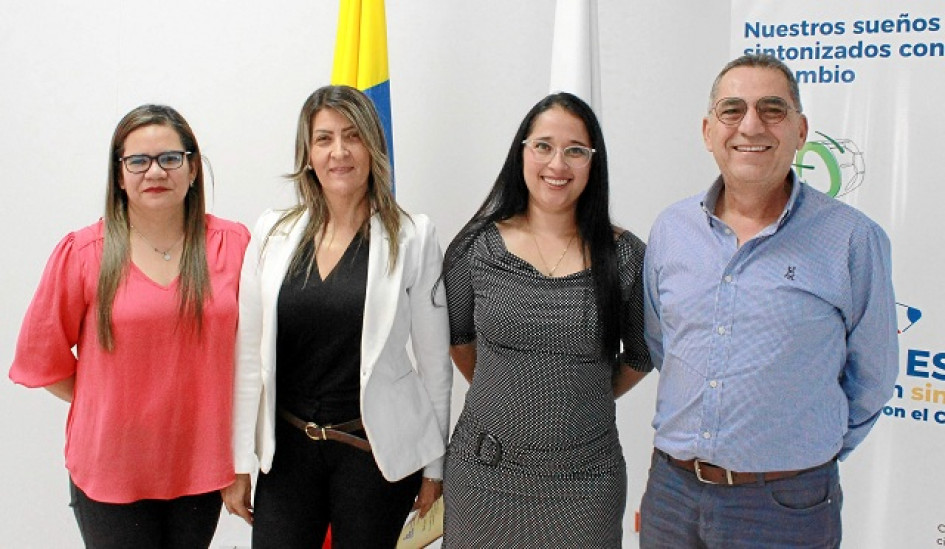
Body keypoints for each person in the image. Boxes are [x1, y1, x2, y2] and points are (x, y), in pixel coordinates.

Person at [639, 53, 898, 548]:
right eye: (732, 110)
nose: (751, 125)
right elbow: (662, 344)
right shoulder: (672, 230)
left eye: (772, 109)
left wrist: (802, 453)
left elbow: (873, 376)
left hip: (786, 506)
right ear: (708, 131)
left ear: (800, 131)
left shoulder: (852, 240)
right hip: (672, 494)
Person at [9, 105, 250, 548]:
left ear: (193, 168)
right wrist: (114, 399)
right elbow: (43, 360)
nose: (154, 172)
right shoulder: (83, 253)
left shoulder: (234, 246)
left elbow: (254, 356)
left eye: (170, 158)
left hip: (199, 467)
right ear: (119, 176)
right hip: (110, 469)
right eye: (138, 161)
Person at [222, 85, 452, 548]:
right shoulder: (272, 232)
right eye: (324, 139)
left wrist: (434, 467)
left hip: (375, 458)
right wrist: (239, 462)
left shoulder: (413, 236)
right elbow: (247, 358)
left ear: (373, 146)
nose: (339, 152)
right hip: (288, 451)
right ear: (307, 154)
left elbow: (434, 365)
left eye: (353, 136)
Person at [440, 92, 652, 547]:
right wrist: (514, 389)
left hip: (586, 483)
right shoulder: (474, 247)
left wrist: (579, 391)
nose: (558, 164)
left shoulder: (627, 257)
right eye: (543, 146)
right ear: (522, 152)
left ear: (593, 162)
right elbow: (459, 341)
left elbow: (639, 356)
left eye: (575, 150)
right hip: (485, 473)